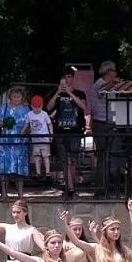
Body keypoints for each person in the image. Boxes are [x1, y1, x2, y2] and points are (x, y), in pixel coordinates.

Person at [49, 67, 89, 197]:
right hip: (60, 131)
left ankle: (71, 187)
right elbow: (48, 107)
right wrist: (58, 92)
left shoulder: (80, 93)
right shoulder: (59, 94)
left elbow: (83, 107)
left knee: (73, 160)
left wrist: (71, 94)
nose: (67, 79)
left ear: (73, 78)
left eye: (69, 77)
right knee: (65, 161)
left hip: (75, 131)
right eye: (65, 77)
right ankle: (69, 188)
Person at [87, 60, 119, 194]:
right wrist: (114, 84)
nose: (115, 74)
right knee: (102, 155)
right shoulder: (100, 84)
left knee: (110, 155)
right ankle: (100, 187)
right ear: (108, 72)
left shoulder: (110, 86)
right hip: (101, 124)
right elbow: (102, 92)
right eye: (113, 71)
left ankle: (108, 185)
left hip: (111, 122)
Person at [0, 86, 31, 200]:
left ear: (22, 97)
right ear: (10, 97)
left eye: (18, 96)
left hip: (20, 142)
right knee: (4, 168)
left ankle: (20, 195)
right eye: (14, 96)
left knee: (19, 169)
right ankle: (4, 193)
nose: (16, 98)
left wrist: (25, 131)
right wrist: (4, 123)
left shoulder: (26, 109)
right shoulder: (3, 108)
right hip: (5, 142)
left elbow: (31, 124)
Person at [26, 95, 52, 177]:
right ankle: (38, 172)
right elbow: (27, 124)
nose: (37, 109)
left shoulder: (44, 114)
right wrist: (23, 131)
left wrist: (51, 134)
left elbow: (49, 124)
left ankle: (47, 172)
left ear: (42, 106)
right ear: (31, 106)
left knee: (46, 155)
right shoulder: (29, 114)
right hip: (35, 139)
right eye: (35, 107)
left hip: (44, 138)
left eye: (39, 107)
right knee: (36, 156)